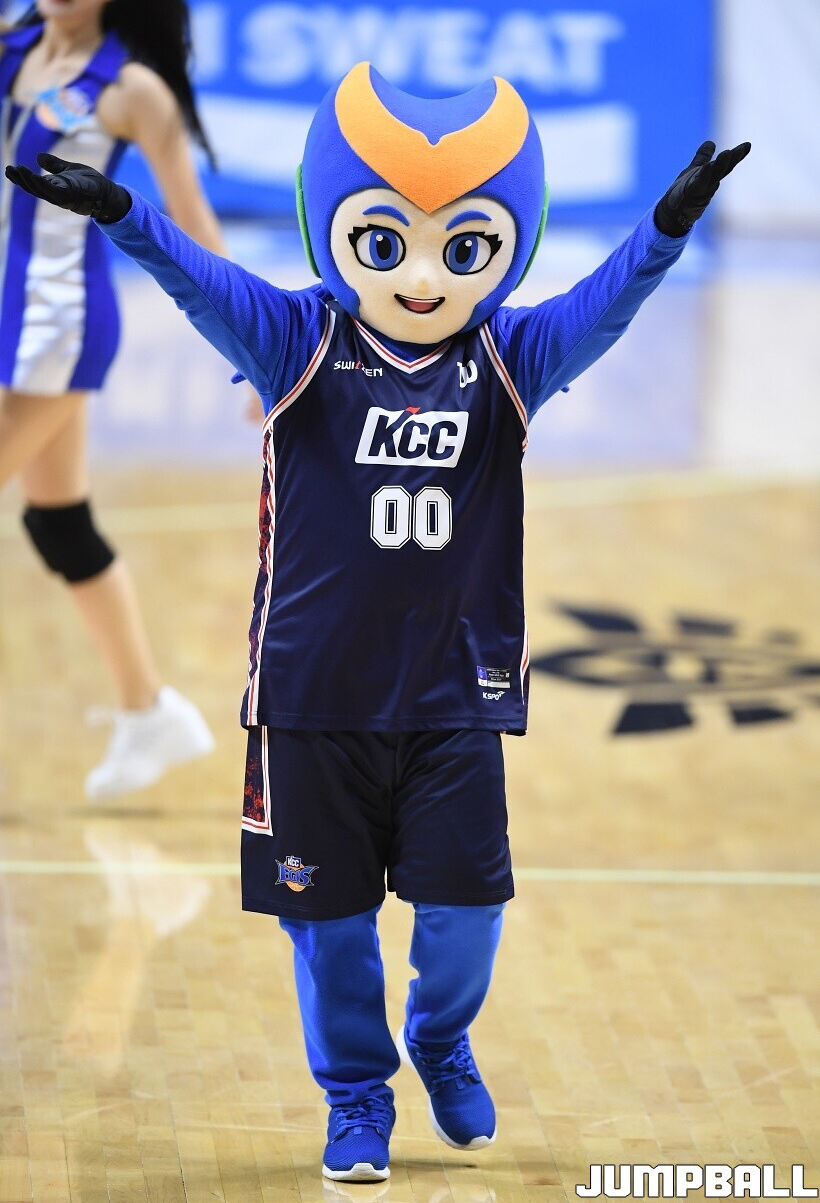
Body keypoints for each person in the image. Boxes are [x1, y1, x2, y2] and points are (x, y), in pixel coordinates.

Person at [6, 62, 751, 1180]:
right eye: (387, 240)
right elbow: (202, 283)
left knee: (467, 915)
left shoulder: (509, 357)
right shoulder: (295, 339)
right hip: (312, 697)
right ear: (334, 226)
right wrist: (123, 213)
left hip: (456, 696)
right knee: (330, 928)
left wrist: (663, 231)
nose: (421, 275)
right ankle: (356, 1096)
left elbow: (605, 306)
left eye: (462, 246)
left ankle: (440, 1039)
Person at [0, 0, 227, 799]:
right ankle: (149, 711)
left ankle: (149, 710)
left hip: (61, 327)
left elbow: (192, 220)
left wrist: (255, 348)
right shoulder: (13, 48)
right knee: (59, 523)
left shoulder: (133, 92)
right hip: (9, 311)